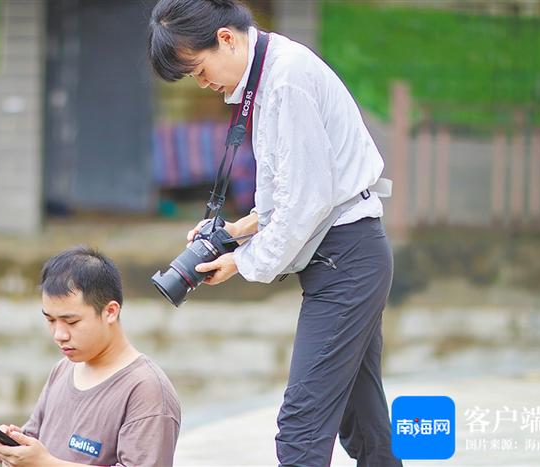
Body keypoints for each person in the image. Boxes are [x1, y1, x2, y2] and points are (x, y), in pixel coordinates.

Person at [148, 1, 402, 466]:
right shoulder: (271, 71)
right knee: (363, 422)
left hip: (345, 260)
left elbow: (307, 201)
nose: (201, 83)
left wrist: (242, 261)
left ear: (226, 38)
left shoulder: (286, 81)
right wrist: (234, 231)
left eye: (198, 70)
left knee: (301, 428)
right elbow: (291, 190)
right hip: (348, 254)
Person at [0, 246, 181, 467]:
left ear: (110, 312)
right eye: (50, 320)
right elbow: (37, 445)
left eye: (71, 322)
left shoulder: (146, 390)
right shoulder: (63, 369)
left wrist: (45, 464)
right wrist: (13, 452)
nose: (59, 335)